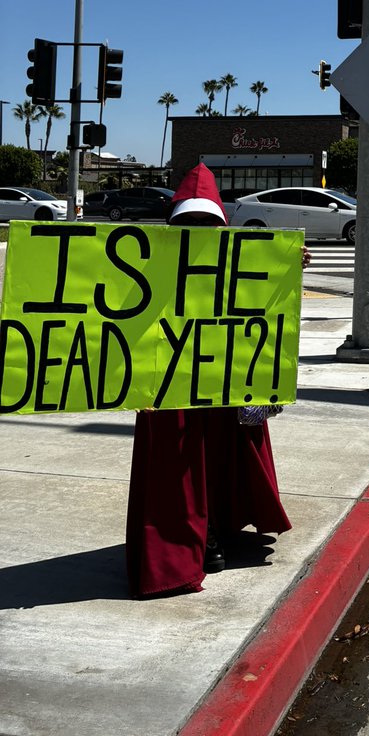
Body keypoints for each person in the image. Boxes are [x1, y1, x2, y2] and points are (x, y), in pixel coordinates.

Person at [126, 164, 305, 598]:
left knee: (224, 451)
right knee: (178, 462)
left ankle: (218, 523)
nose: (198, 229)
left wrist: (286, 269)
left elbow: (261, 308)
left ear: (221, 223)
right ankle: (194, 540)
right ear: (173, 223)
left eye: (207, 221)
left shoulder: (237, 260)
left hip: (222, 374)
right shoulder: (147, 261)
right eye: (189, 221)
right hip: (169, 380)